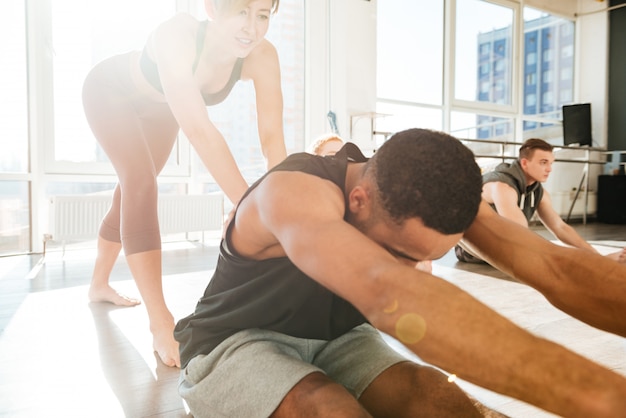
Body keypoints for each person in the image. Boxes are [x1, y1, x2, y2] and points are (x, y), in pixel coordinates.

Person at [174, 128, 626, 417]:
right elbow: (386, 289)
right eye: (402, 253)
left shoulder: (425, 188)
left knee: (441, 401)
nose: (418, 270)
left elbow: (555, 267)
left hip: (340, 338)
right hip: (236, 340)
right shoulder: (294, 191)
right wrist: (605, 400)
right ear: (359, 201)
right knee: (327, 408)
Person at [81, 0, 286, 367]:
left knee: (131, 189)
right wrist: (250, 206)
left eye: (263, 16)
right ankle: (160, 321)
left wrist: (284, 211)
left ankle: (99, 284)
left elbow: (272, 141)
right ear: (213, 8)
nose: (251, 28)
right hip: (111, 92)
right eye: (242, 12)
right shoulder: (179, 33)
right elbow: (199, 130)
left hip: (161, 111)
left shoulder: (263, 56)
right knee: (140, 182)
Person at [456, 138, 626, 264]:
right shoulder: (502, 186)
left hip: (502, 245)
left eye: (551, 163)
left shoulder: (539, 192)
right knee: (530, 253)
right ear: (524, 163)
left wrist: (595, 256)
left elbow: (560, 227)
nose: (549, 169)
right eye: (543, 162)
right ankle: (594, 264)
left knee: (529, 252)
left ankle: (598, 262)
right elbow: (520, 235)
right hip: (470, 249)